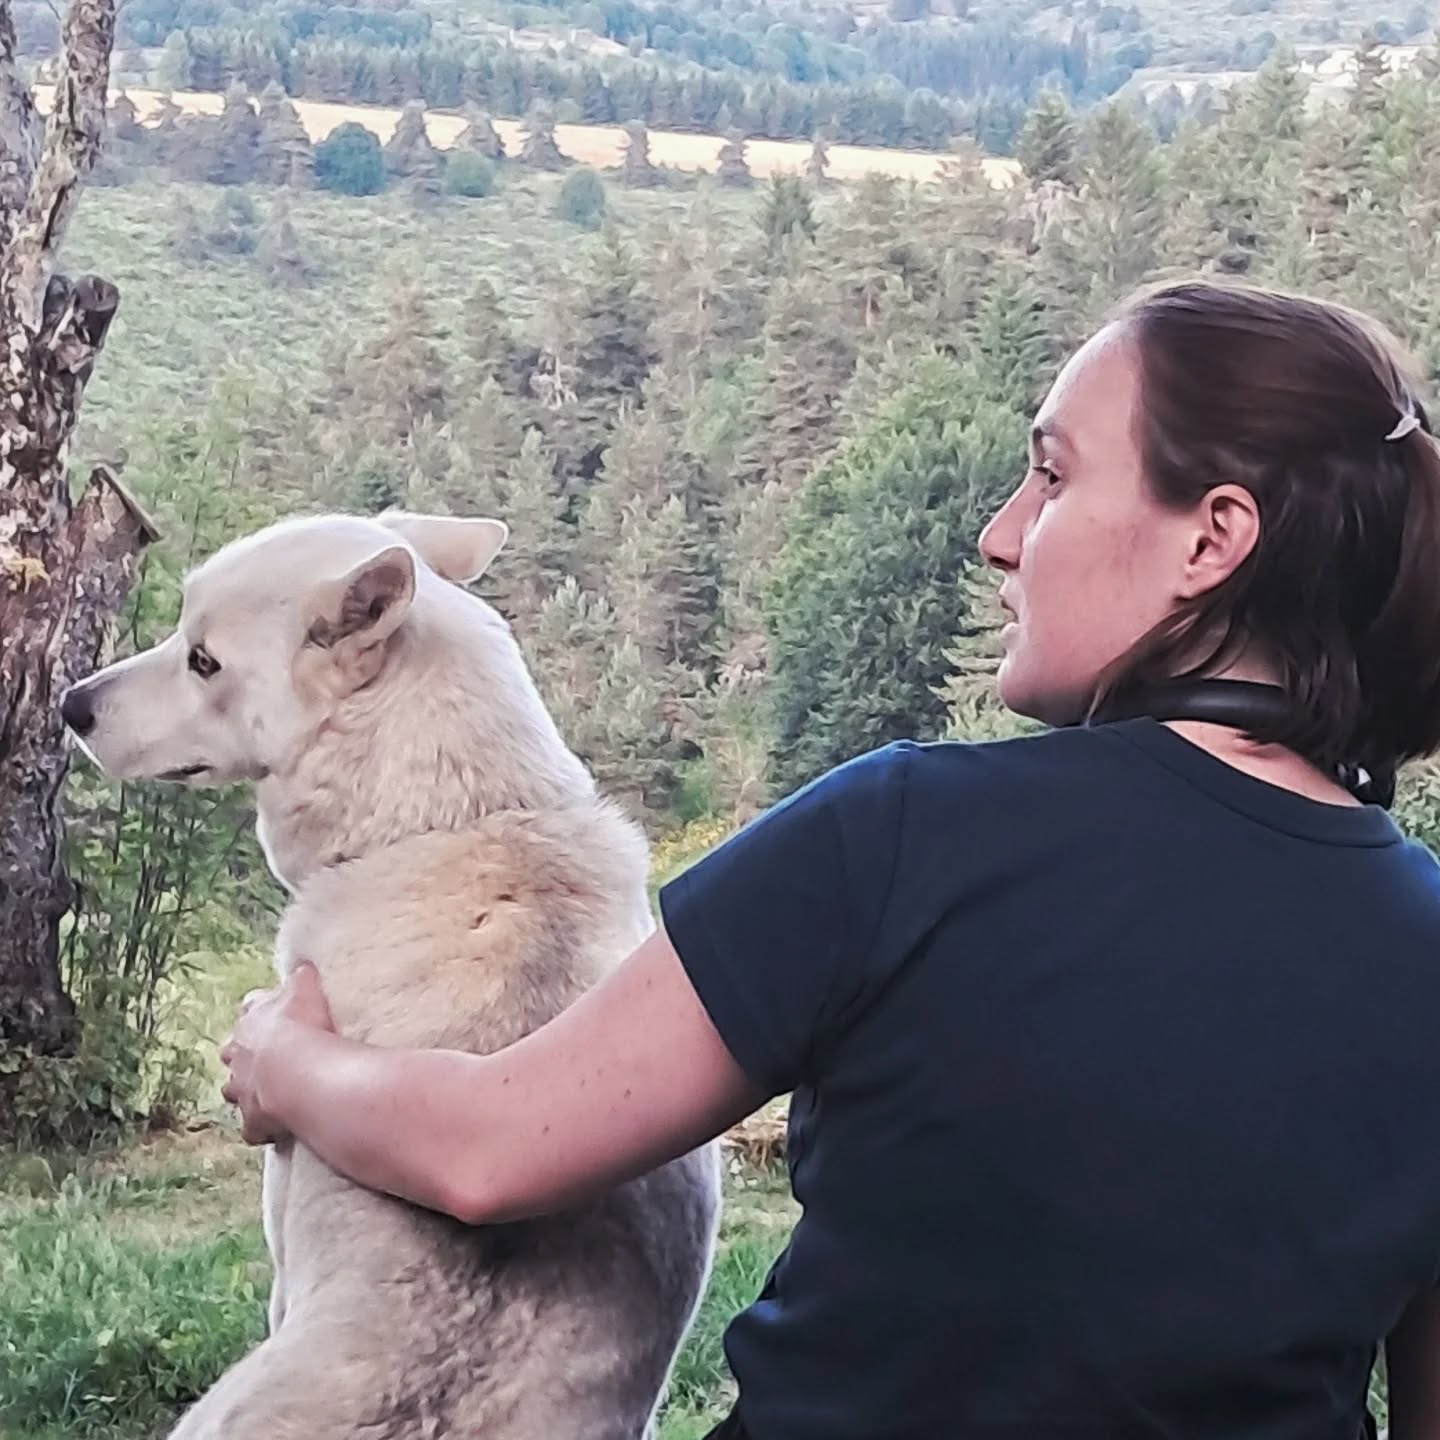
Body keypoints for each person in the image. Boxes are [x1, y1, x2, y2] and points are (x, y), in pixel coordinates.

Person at [221, 278, 1440, 1440]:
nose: (1000, 535)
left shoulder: (908, 833)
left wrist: (288, 1063)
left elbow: (492, 1149)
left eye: (1053, 476)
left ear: (1212, 538)